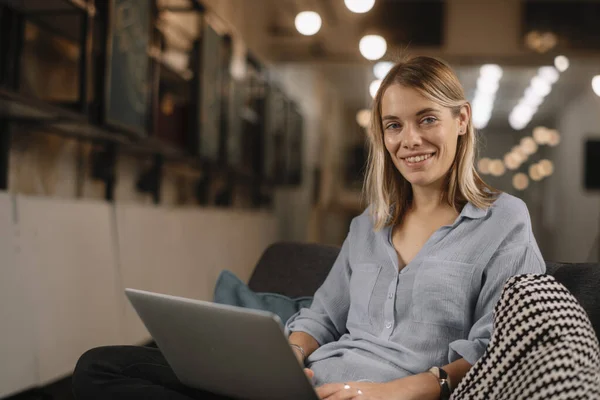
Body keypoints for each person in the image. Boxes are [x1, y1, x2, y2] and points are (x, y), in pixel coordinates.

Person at [72, 56, 546, 400]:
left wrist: (401, 391)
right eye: (394, 125)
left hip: (386, 396)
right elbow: (321, 316)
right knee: (102, 366)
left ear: (461, 119)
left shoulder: (503, 220)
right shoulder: (368, 226)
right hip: (304, 386)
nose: (409, 140)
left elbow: (504, 347)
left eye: (427, 120)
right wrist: (287, 358)